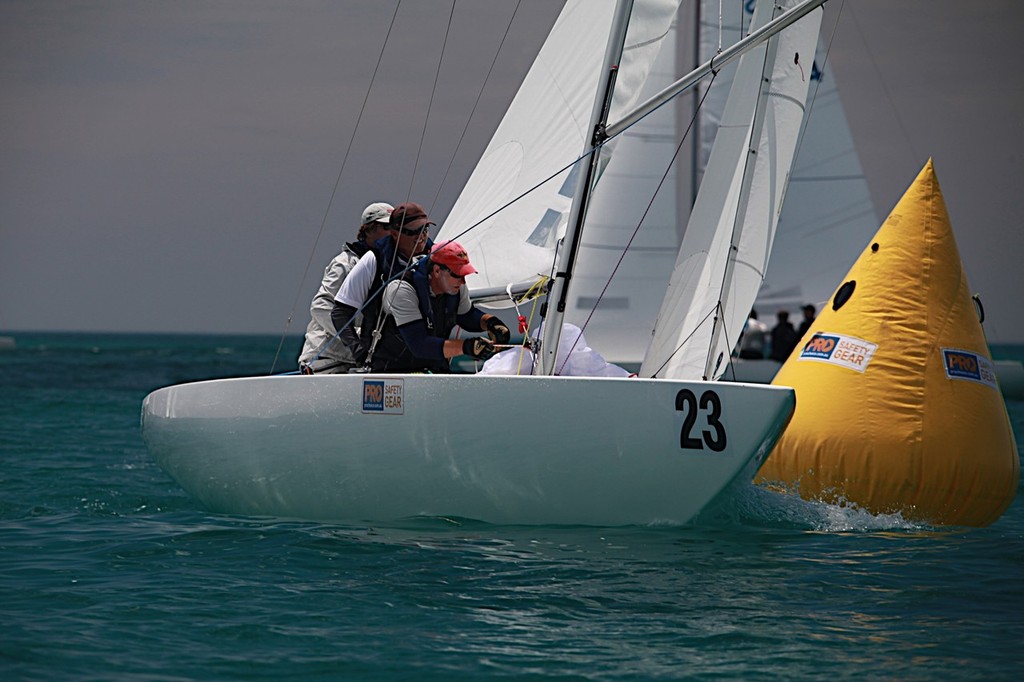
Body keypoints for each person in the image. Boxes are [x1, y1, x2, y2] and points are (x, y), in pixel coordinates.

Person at [369, 241, 511, 373]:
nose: (462, 281)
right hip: (392, 374)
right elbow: (419, 344)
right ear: (437, 271)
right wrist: (467, 347)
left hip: (432, 372)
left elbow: (467, 316)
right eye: (457, 274)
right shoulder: (402, 288)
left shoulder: (456, 287)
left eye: (464, 274)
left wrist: (491, 323)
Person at [331, 201, 436, 367]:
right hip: (383, 365)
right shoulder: (371, 260)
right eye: (413, 231)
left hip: (428, 362)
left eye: (424, 229)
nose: (421, 236)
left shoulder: (438, 259)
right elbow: (340, 312)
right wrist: (358, 350)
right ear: (395, 233)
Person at [298, 202, 393, 374]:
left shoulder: (389, 266)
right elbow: (320, 307)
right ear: (369, 229)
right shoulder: (344, 264)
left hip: (358, 360)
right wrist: (358, 335)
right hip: (327, 359)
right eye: (386, 226)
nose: (393, 231)